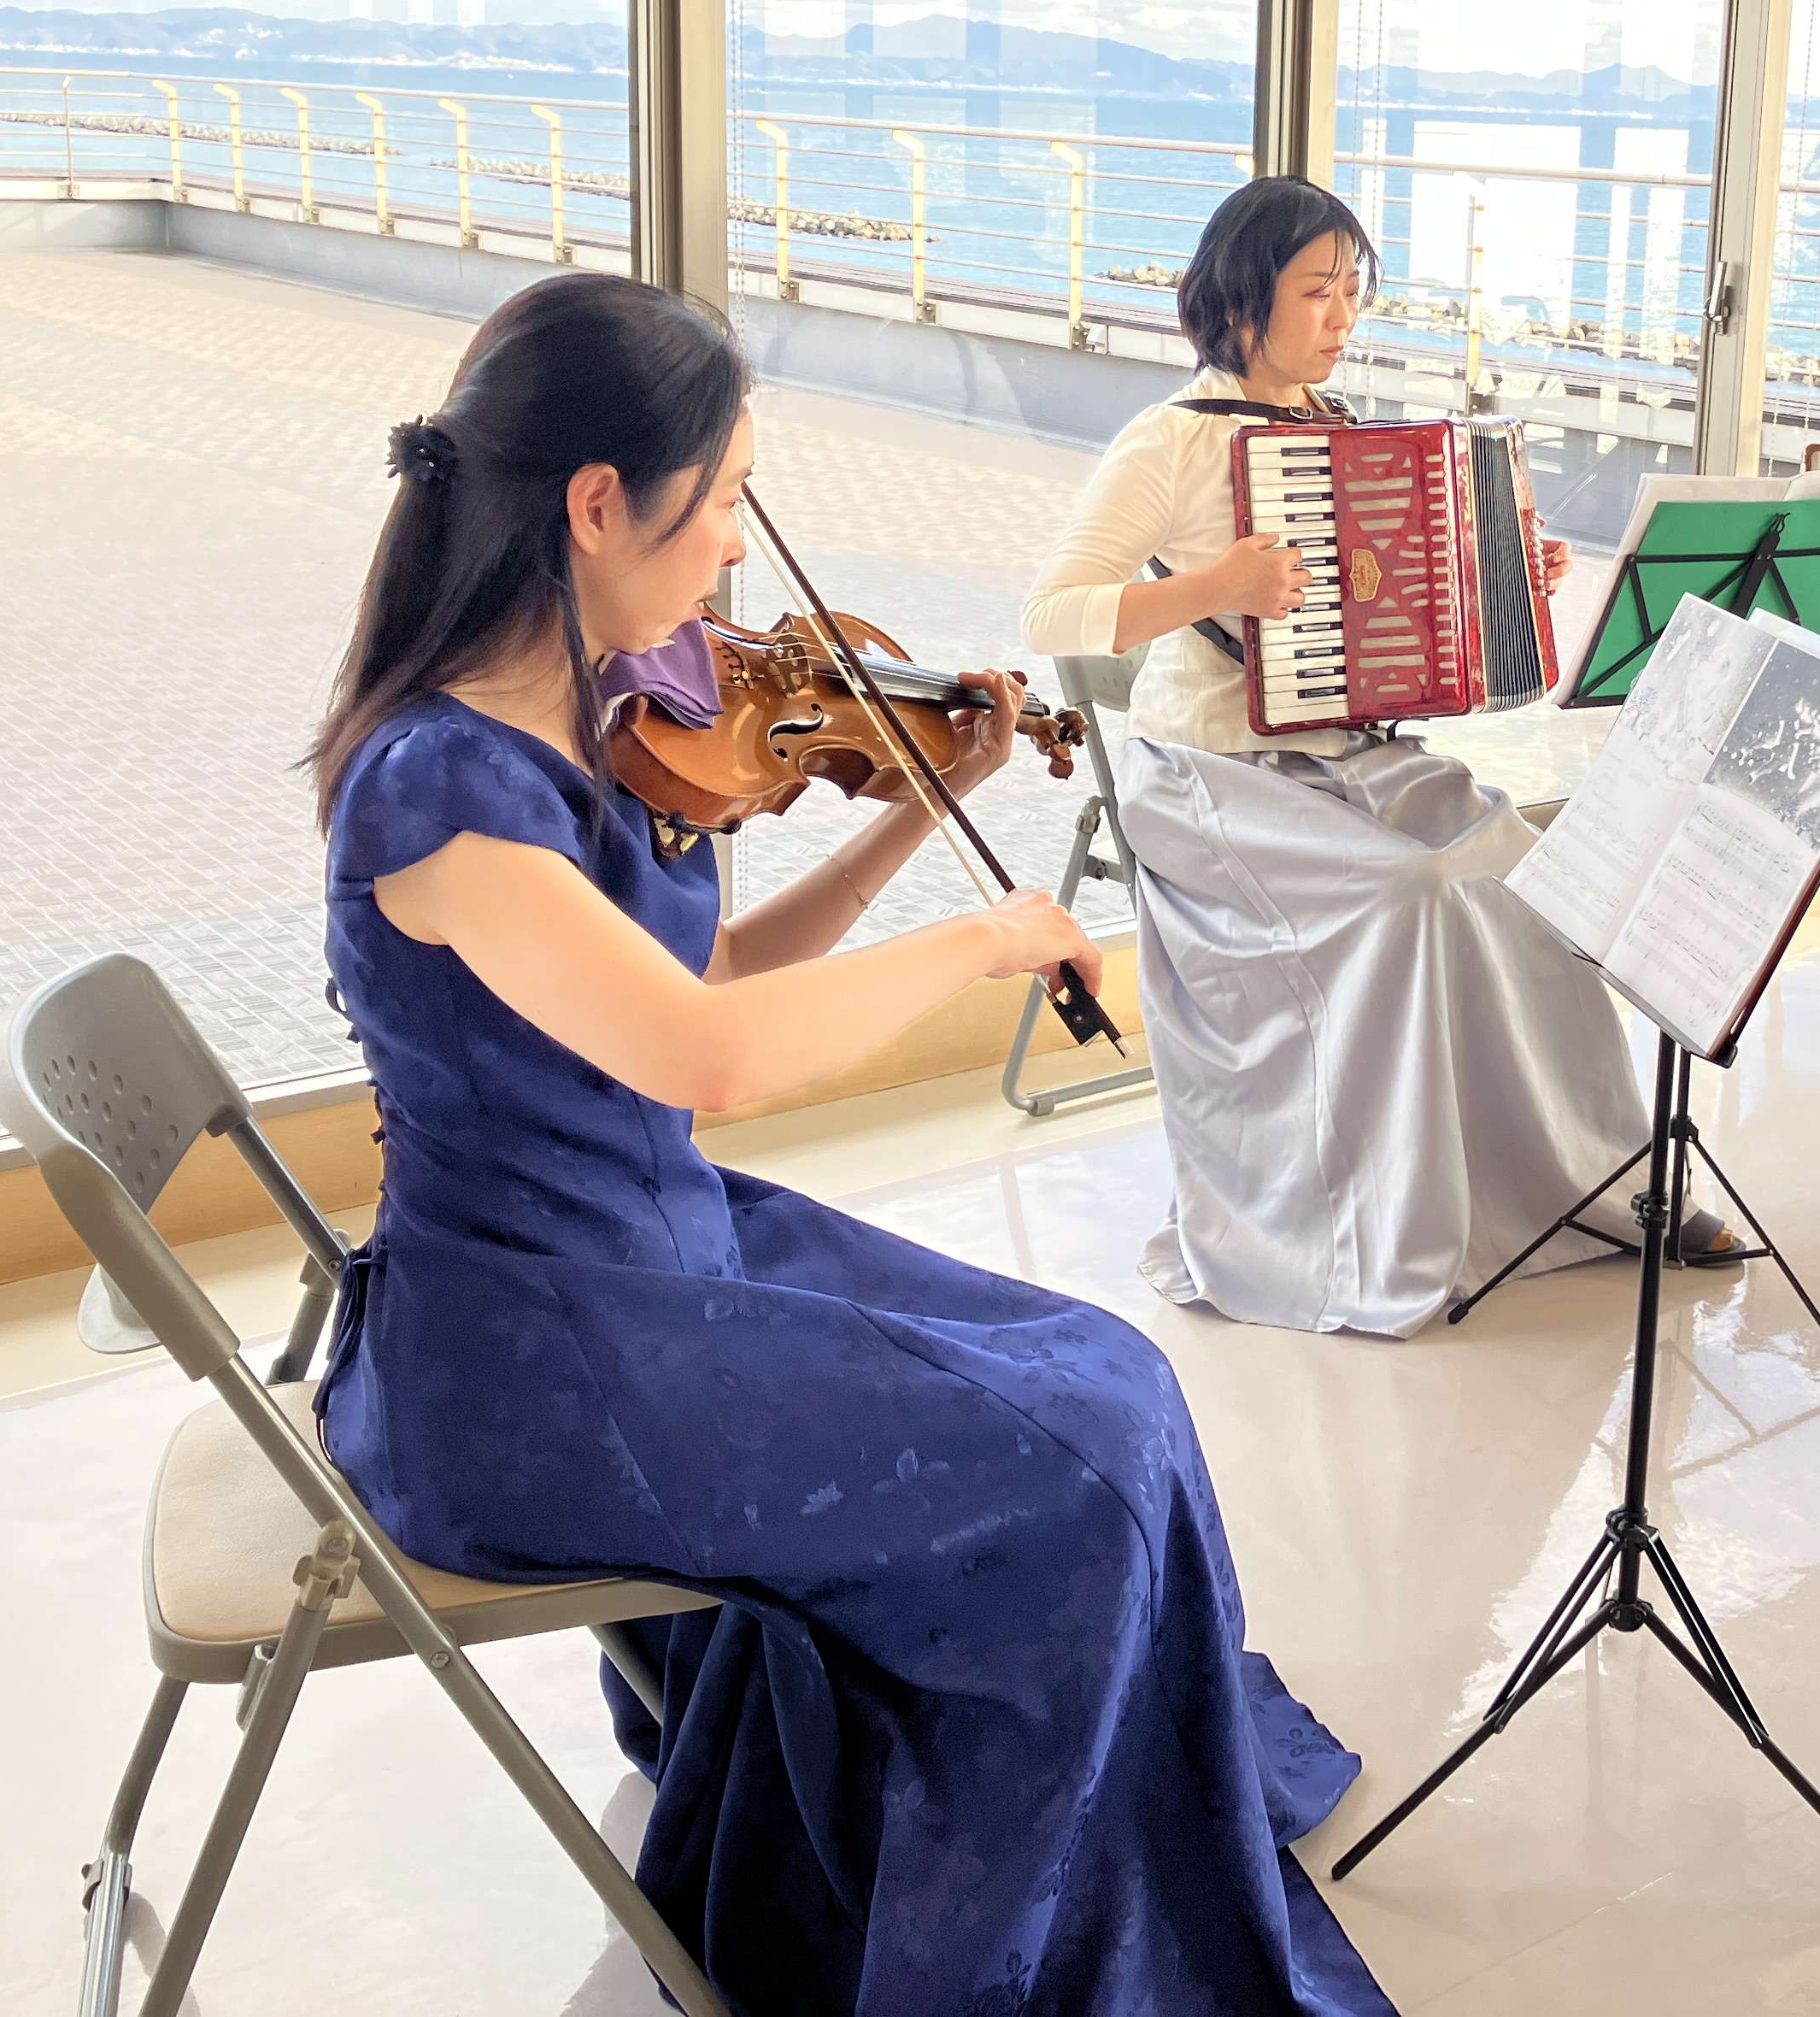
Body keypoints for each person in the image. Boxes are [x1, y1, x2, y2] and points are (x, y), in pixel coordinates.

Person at [308, 271, 1391, 2016]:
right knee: (1085, 1456)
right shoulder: (441, 787)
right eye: (724, 496)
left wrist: (914, 818)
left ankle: (1135, 1816)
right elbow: (712, 1056)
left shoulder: (579, 722)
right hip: (527, 1358)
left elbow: (708, 972)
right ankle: (1013, 1943)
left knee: (1110, 1370)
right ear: (598, 504)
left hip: (647, 1257)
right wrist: (976, 938)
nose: (738, 547)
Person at [1023, 178, 1733, 1338]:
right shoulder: (1171, 441)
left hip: (1343, 753)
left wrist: (1512, 571)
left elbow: (1400, 605)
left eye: (1353, 291)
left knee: (1524, 871)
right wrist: (1214, 587)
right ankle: (1384, 1230)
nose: (1343, 317)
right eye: (1318, 291)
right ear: (1240, 301)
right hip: (1209, 773)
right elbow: (1051, 612)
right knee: (1414, 893)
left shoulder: (1347, 431)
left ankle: (1602, 1186)